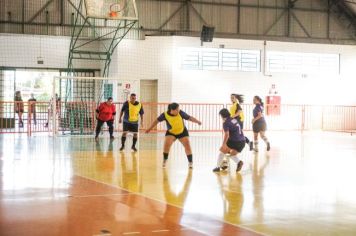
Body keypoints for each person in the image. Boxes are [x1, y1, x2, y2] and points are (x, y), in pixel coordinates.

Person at [145, 103, 202, 169]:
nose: (178, 111)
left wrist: (198, 121)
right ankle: (165, 160)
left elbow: (189, 118)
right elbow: (156, 121)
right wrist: (149, 129)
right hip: (171, 133)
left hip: (182, 131)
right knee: (166, 146)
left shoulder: (180, 113)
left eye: (178, 109)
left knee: (187, 145)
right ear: (172, 110)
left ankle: (190, 162)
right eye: (177, 110)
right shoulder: (165, 115)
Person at [213, 108, 245, 173]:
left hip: (234, 141)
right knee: (232, 154)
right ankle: (239, 162)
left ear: (222, 116)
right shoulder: (234, 119)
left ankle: (218, 167)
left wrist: (224, 144)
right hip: (242, 141)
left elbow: (226, 134)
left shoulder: (225, 123)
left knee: (222, 151)